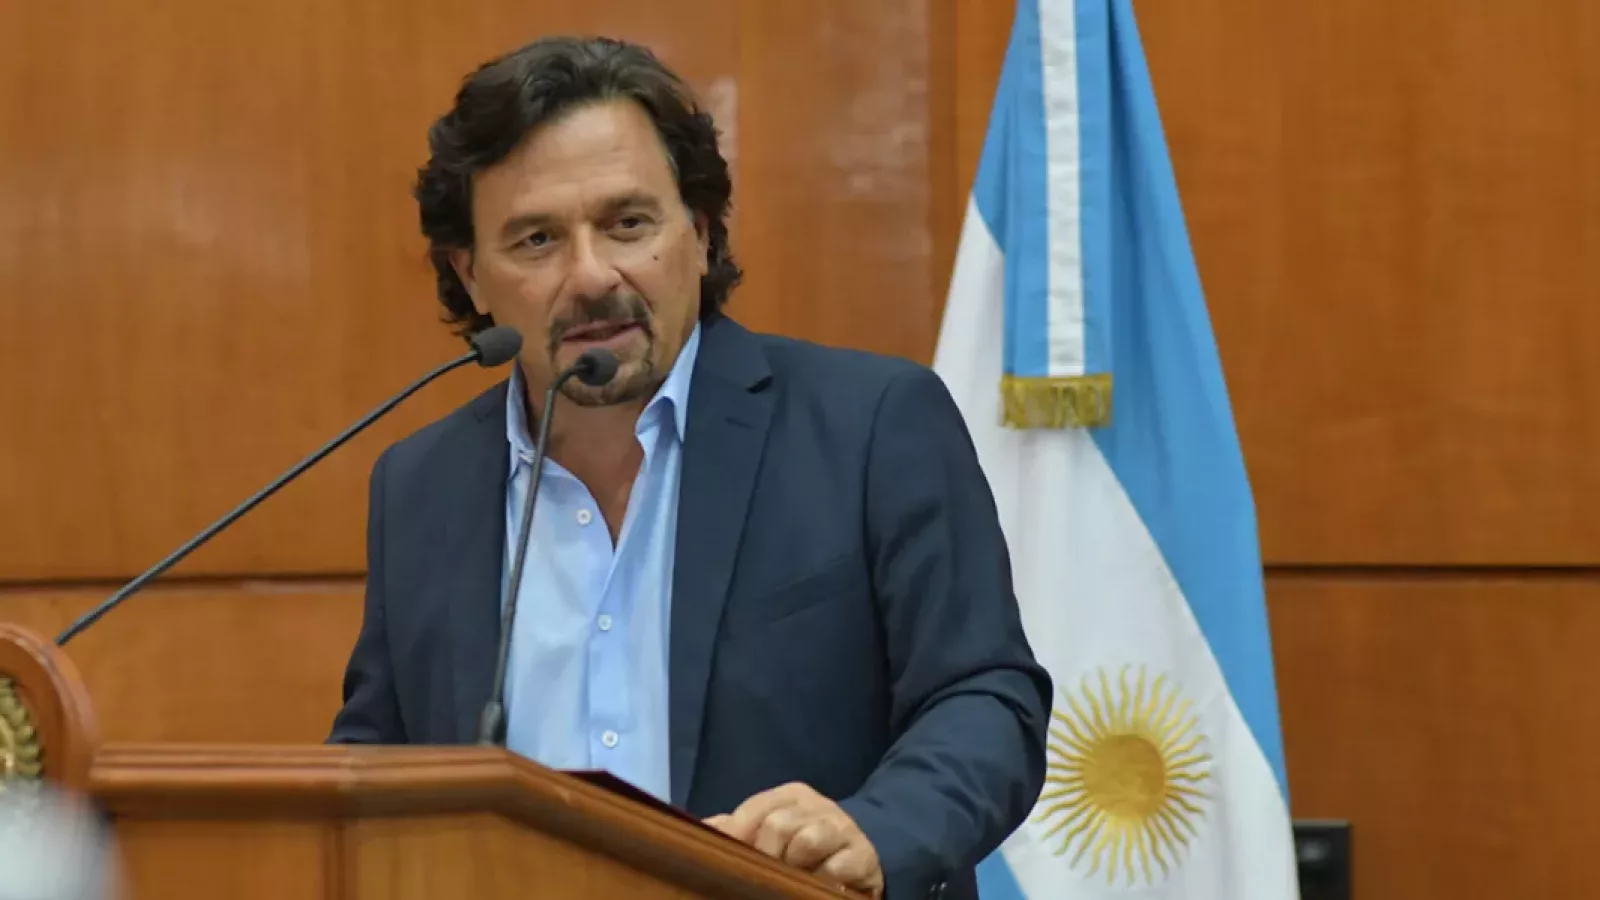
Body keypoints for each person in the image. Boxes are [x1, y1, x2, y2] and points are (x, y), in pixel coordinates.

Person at [328, 35, 1052, 900]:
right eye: (537, 239)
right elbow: (375, 767)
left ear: (700, 234)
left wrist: (873, 829)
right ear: (471, 276)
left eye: (628, 224)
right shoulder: (421, 486)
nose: (591, 275)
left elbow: (985, 697)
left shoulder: (871, 425)